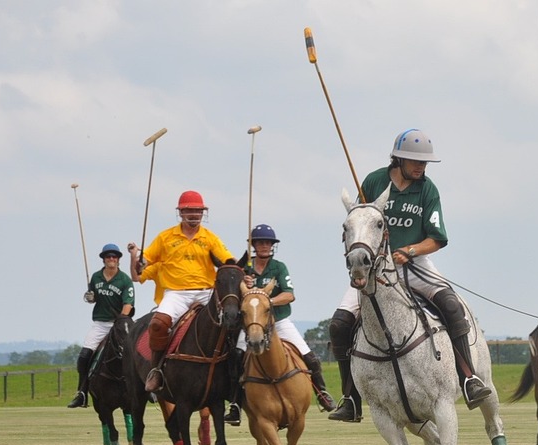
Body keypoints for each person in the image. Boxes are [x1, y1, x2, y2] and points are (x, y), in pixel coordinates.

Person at [327, 129, 493, 423]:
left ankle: (468, 379)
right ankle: (351, 398)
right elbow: (358, 222)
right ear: (399, 159)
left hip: (414, 264)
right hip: (374, 269)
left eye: (425, 163)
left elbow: (438, 238)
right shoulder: (373, 181)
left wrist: (412, 250)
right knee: (340, 324)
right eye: (416, 162)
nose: (421, 167)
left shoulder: (427, 189)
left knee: (452, 306)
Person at [224, 224, 337, 426]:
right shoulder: (245, 270)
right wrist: (245, 287)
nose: (265, 246)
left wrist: (266, 301)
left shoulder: (279, 267)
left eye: (268, 242)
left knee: (310, 358)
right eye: (260, 242)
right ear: (254, 245)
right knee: (236, 357)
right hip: (252, 325)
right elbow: (234, 297)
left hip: (279, 321)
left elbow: (289, 295)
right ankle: (235, 405)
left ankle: (322, 393)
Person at [127, 190, 236, 393]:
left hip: (206, 292)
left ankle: (234, 372)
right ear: (181, 212)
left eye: (198, 211)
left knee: (233, 321)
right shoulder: (165, 237)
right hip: (176, 294)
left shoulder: (211, 238)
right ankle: (156, 371)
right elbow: (145, 261)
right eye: (189, 211)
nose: (194, 215)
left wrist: (240, 271)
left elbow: (228, 260)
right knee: (158, 324)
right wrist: (136, 258)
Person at [67, 244, 135, 408]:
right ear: (104, 259)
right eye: (108, 256)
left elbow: (128, 304)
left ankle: (148, 390)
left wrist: (121, 320)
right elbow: (94, 299)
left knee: (137, 353)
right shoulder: (96, 277)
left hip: (120, 323)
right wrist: (90, 297)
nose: (111, 259)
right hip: (101, 323)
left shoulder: (125, 279)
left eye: (114, 256)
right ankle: (82, 393)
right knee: (84, 356)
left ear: (118, 259)